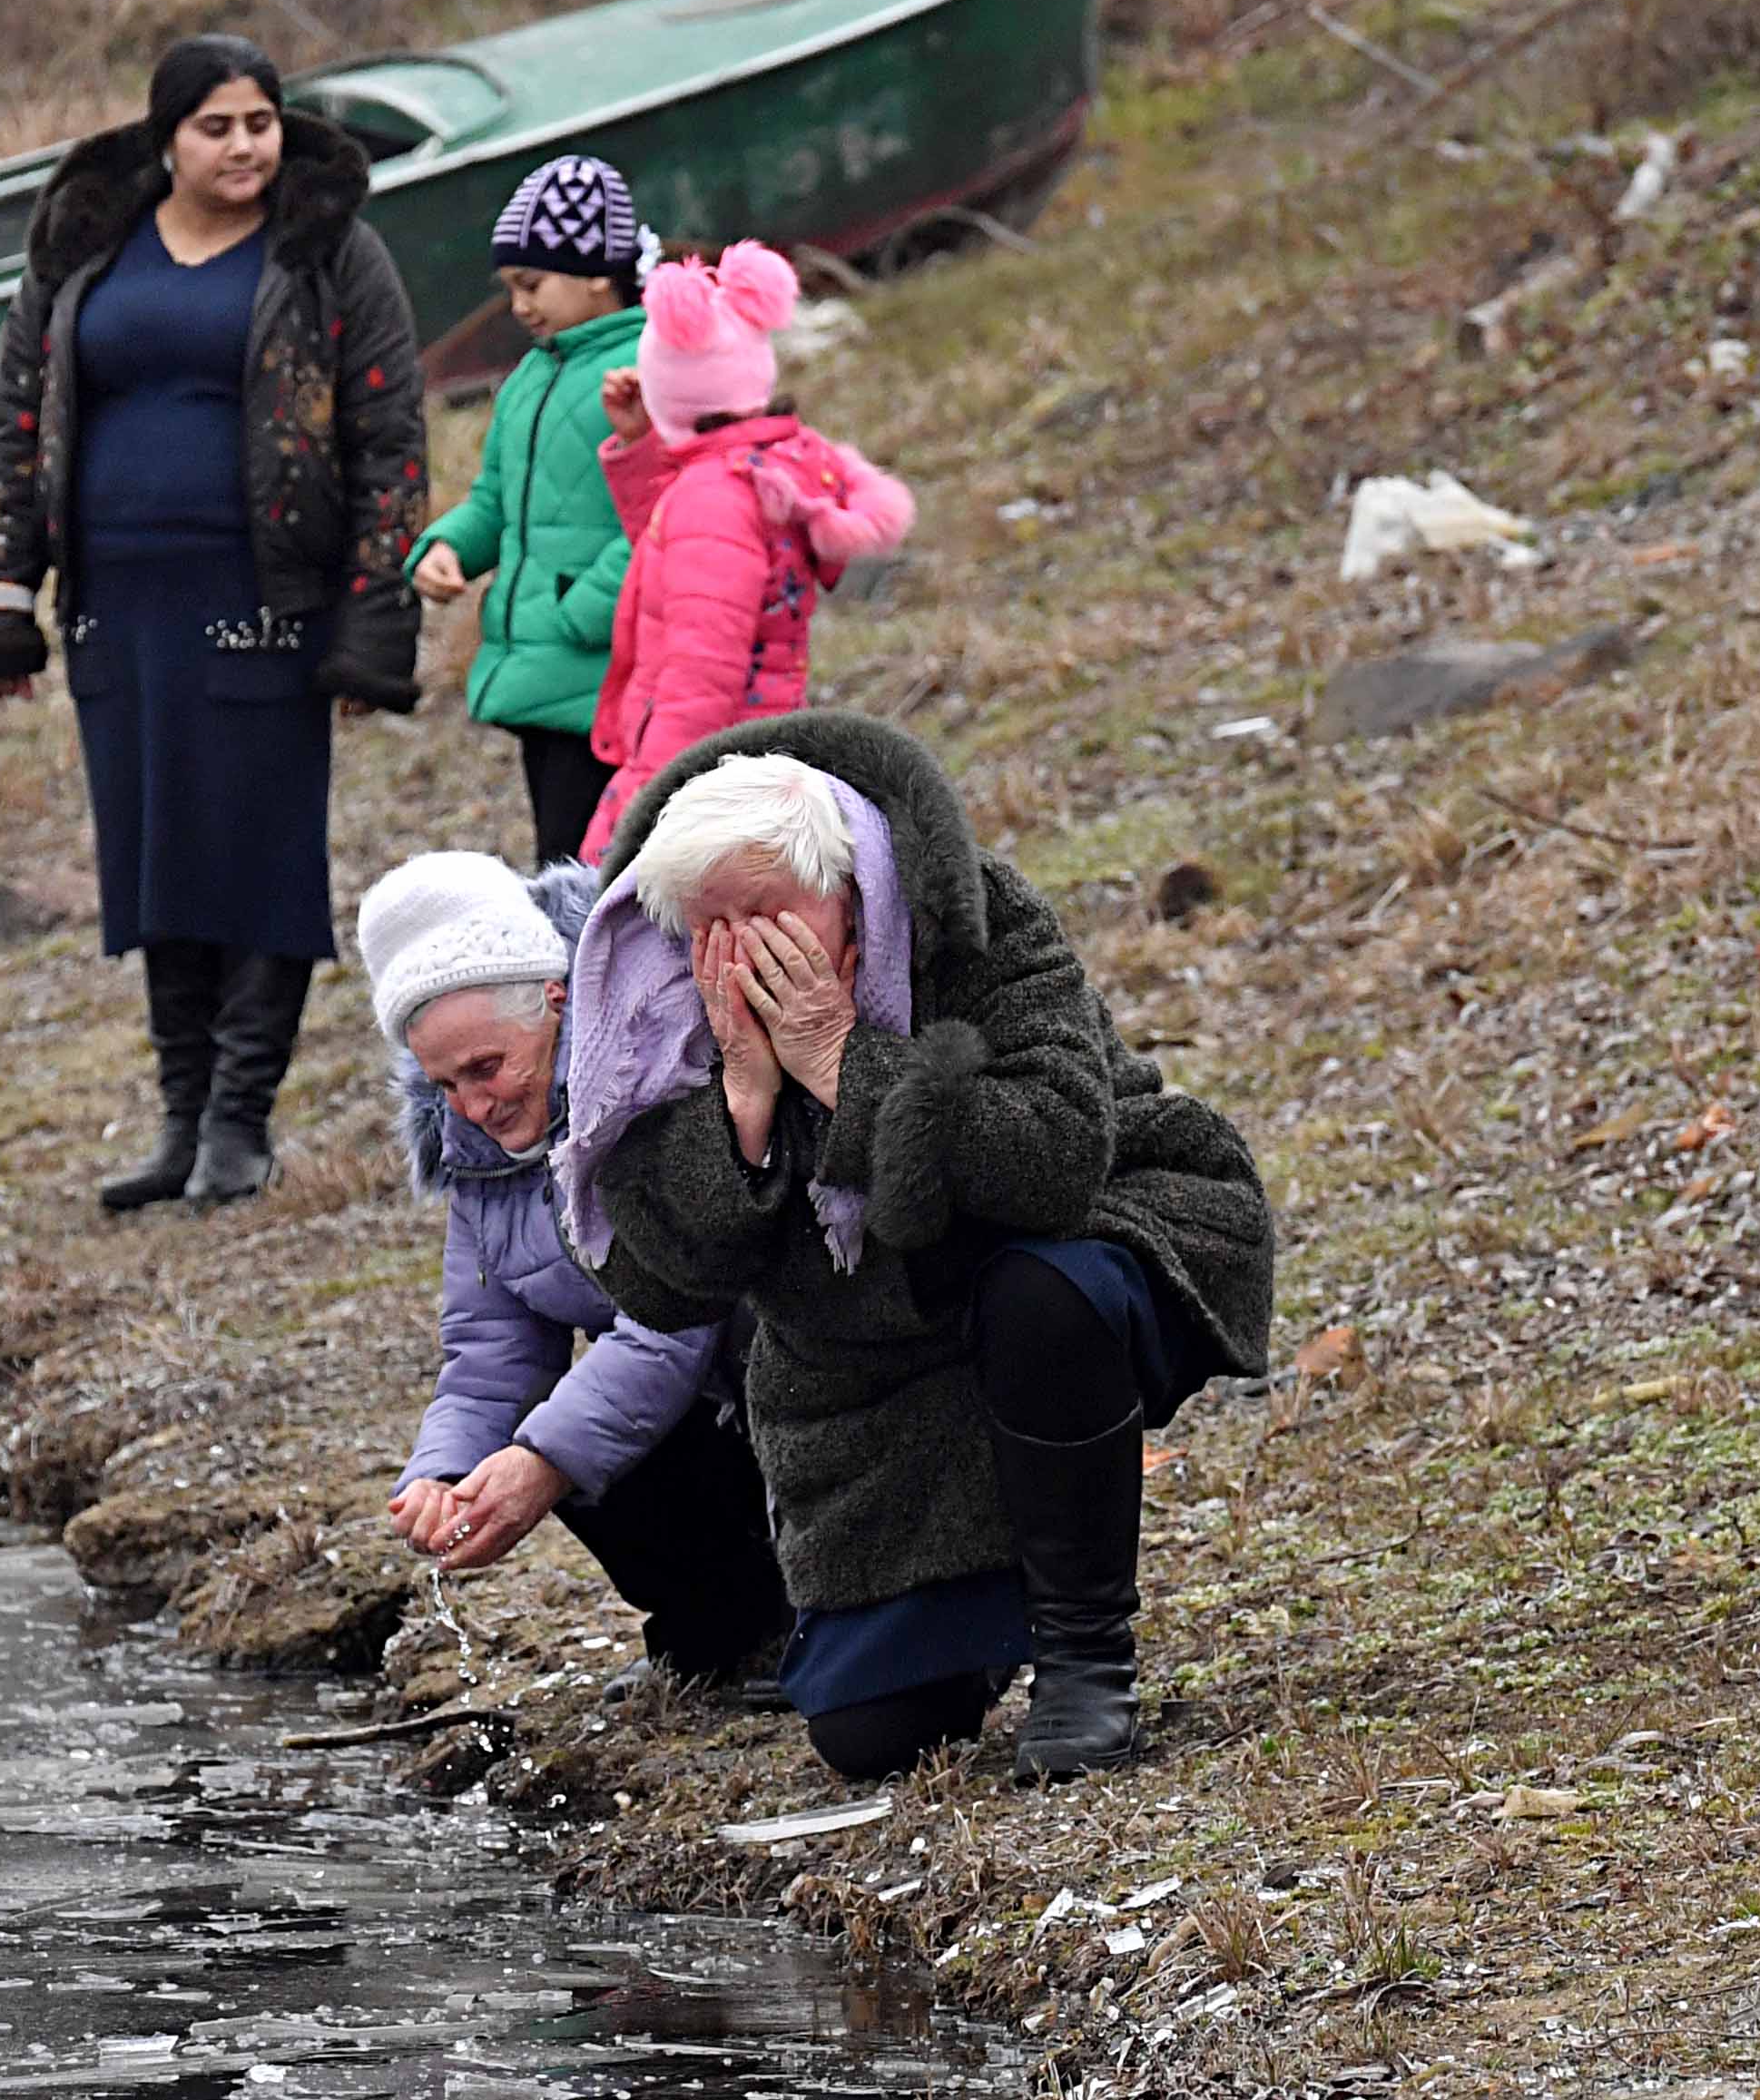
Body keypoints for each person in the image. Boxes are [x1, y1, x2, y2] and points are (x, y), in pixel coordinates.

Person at [553, 721, 1274, 1784]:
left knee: (1046, 1288)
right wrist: (743, 1108)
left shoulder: (971, 921)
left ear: (845, 890)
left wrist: (846, 1063)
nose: (744, 950)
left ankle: (1086, 1656)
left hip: (1093, 1241)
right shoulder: (659, 1003)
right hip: (873, 1363)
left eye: (770, 914)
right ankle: (980, 1615)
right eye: (715, 924)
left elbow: (1054, 1162)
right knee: (873, 1735)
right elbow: (658, 1283)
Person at [0, 35, 429, 1212]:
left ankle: (241, 1122)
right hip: (119, 604)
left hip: (266, 601)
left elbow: (389, 434)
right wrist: (2, 597)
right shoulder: (86, 246)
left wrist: (374, 616)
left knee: (257, 843)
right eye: (217, 127)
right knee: (155, 847)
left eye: (261, 122)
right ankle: (178, 1115)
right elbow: (18, 416)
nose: (246, 146)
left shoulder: (327, 250)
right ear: (167, 137)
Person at [359, 850, 791, 1693]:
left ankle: (807, 1611)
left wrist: (542, 1462)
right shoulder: (479, 1152)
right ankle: (716, 1630)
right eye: (445, 1084)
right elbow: (489, 1355)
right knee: (540, 1423)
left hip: (780, 1372)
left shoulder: (651, 1078)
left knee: (564, 1435)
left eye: (487, 1067)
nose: (475, 1105)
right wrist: (440, 1477)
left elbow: (673, 1321)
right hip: (699, 1405)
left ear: (555, 999)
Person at [577, 243, 912, 859]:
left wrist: (645, 804)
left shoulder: (713, 498)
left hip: (710, 779)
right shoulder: (761, 469)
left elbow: (700, 673)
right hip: (757, 746)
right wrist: (642, 446)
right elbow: (676, 557)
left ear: (667, 393)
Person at [408, 156, 651, 869]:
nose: (518, 304)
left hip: (607, 673)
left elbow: (667, 509)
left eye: (532, 283)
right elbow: (496, 498)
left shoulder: (650, 366)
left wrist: (586, 610)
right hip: (543, 674)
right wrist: (448, 545)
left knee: (606, 865)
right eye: (510, 286)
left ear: (599, 273)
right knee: (561, 858)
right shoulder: (531, 377)